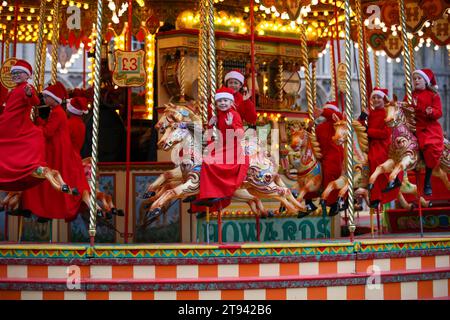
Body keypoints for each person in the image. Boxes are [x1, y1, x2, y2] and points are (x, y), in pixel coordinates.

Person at [21, 82, 90, 222]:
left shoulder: (58, 113)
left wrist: (33, 128)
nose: (44, 100)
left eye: (47, 97)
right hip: (60, 149)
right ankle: (38, 208)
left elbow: (48, 132)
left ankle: (39, 208)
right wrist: (40, 122)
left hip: (55, 151)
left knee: (37, 175)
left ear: (54, 99)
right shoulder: (59, 113)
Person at [196, 87, 249, 210]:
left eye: (225, 100)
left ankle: (217, 193)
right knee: (204, 159)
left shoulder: (234, 115)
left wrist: (232, 125)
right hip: (223, 145)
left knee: (209, 162)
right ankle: (205, 194)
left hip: (234, 147)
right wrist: (210, 125)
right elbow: (213, 136)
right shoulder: (218, 116)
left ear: (231, 102)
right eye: (220, 101)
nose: (222, 103)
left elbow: (241, 135)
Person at [0, 60, 47, 191]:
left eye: (19, 73)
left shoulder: (28, 87)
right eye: (13, 73)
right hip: (9, 121)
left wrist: (29, 94)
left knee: (35, 134)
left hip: (16, 122)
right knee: (35, 134)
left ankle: (24, 165)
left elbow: (35, 101)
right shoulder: (13, 90)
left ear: (27, 76)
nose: (15, 75)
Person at [411, 68, 444, 195]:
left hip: (429, 127)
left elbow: (439, 112)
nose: (416, 81)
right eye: (414, 79)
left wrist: (431, 112)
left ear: (425, 81)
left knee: (430, 146)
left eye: (419, 78)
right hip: (414, 126)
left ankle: (428, 180)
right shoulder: (411, 95)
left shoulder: (433, 95)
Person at [367, 87, 401, 208]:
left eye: (378, 97)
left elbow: (386, 133)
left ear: (384, 99)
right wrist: (362, 117)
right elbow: (360, 128)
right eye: (374, 97)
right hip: (372, 144)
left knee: (375, 159)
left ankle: (376, 196)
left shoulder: (387, 112)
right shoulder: (370, 113)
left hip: (383, 144)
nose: (376, 100)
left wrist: (369, 131)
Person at [315, 101, 344, 216]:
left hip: (335, 155)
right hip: (323, 156)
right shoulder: (319, 127)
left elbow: (338, 116)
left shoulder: (336, 123)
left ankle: (333, 202)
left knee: (330, 174)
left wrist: (323, 111)